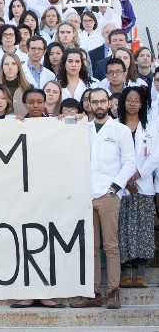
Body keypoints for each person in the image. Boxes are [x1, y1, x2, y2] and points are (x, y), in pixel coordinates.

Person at [70, 88, 135, 310]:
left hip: (108, 195)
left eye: (102, 101)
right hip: (85, 195)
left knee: (110, 245)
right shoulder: (81, 129)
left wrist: (114, 188)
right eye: (93, 101)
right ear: (88, 103)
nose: (98, 105)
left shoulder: (120, 130)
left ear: (108, 103)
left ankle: (113, 292)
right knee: (91, 246)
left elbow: (129, 163)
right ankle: (93, 293)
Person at [117, 87, 158, 289]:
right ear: (123, 102)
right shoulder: (114, 127)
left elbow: (154, 157)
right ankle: (124, 272)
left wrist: (136, 176)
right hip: (121, 188)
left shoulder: (150, 127)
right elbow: (111, 158)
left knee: (143, 230)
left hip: (143, 186)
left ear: (142, 104)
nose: (132, 103)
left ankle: (140, 274)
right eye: (129, 100)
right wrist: (126, 179)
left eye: (137, 100)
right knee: (122, 229)